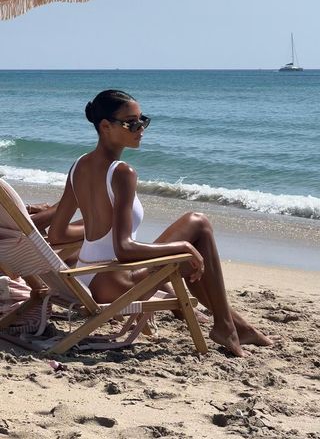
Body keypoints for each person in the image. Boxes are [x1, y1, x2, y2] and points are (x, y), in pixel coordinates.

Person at [48, 90, 272, 357]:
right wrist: (183, 247)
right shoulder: (122, 173)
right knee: (198, 224)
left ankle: (235, 325)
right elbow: (124, 249)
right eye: (131, 123)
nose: (140, 128)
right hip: (114, 283)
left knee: (191, 247)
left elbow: (57, 234)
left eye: (143, 120)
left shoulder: (78, 166)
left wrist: (100, 230)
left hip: (86, 277)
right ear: (105, 126)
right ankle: (226, 325)